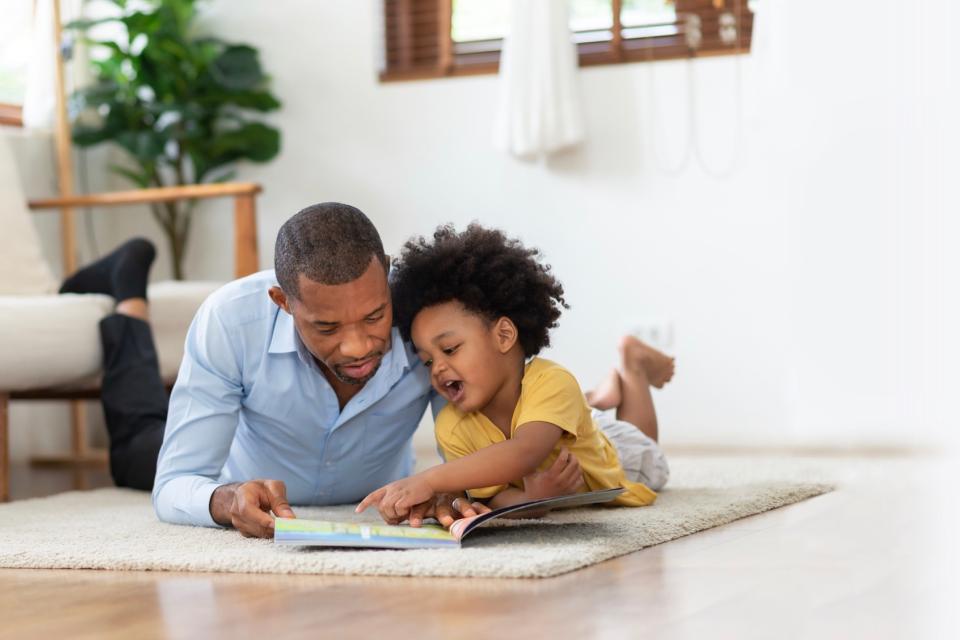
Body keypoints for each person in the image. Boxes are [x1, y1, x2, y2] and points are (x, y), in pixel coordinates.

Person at [59, 203, 487, 538]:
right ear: (282, 302)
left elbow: (476, 454)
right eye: (327, 326)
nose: (358, 346)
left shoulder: (427, 319)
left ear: (388, 274)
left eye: (375, 317)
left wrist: (452, 488)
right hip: (230, 463)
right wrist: (225, 502)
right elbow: (175, 485)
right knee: (135, 442)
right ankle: (128, 291)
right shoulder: (230, 320)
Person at [356, 224, 674, 524]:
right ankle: (599, 395)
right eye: (426, 361)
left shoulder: (551, 380)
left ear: (504, 336)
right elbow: (494, 499)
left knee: (650, 452)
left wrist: (427, 479)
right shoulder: (452, 427)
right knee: (576, 414)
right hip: (563, 419)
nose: (437, 367)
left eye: (450, 349)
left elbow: (524, 452)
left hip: (615, 453)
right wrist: (532, 499)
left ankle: (633, 369)